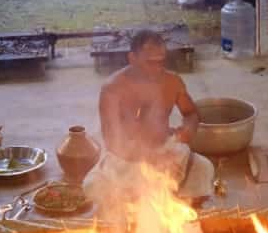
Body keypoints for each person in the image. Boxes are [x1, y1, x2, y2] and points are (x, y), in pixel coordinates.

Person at [83, 30, 214, 207]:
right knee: (93, 186)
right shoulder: (112, 89)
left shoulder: (172, 81)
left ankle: (174, 207)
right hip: (127, 160)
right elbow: (112, 141)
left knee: (204, 168)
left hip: (166, 151)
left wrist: (187, 131)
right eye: (150, 63)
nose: (157, 68)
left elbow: (190, 113)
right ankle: (151, 204)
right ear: (132, 58)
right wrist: (148, 158)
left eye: (161, 62)